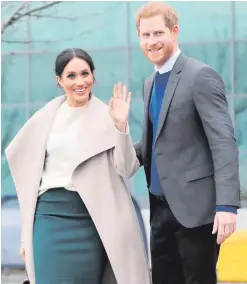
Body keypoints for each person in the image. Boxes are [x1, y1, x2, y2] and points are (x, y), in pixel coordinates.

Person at [5, 48, 152, 284]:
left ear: (93, 76)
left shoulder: (108, 114)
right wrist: (25, 236)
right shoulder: (47, 117)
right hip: (48, 218)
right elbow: (27, 177)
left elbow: (126, 167)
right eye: (71, 75)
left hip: (90, 220)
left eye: (85, 73)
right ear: (59, 80)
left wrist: (121, 125)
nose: (80, 81)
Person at [134, 2, 241, 284]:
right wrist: (113, 145)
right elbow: (152, 145)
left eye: (158, 33)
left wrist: (227, 206)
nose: (151, 41)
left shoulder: (200, 76)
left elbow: (224, 142)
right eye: (145, 35)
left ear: (174, 32)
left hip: (196, 212)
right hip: (159, 211)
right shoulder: (149, 84)